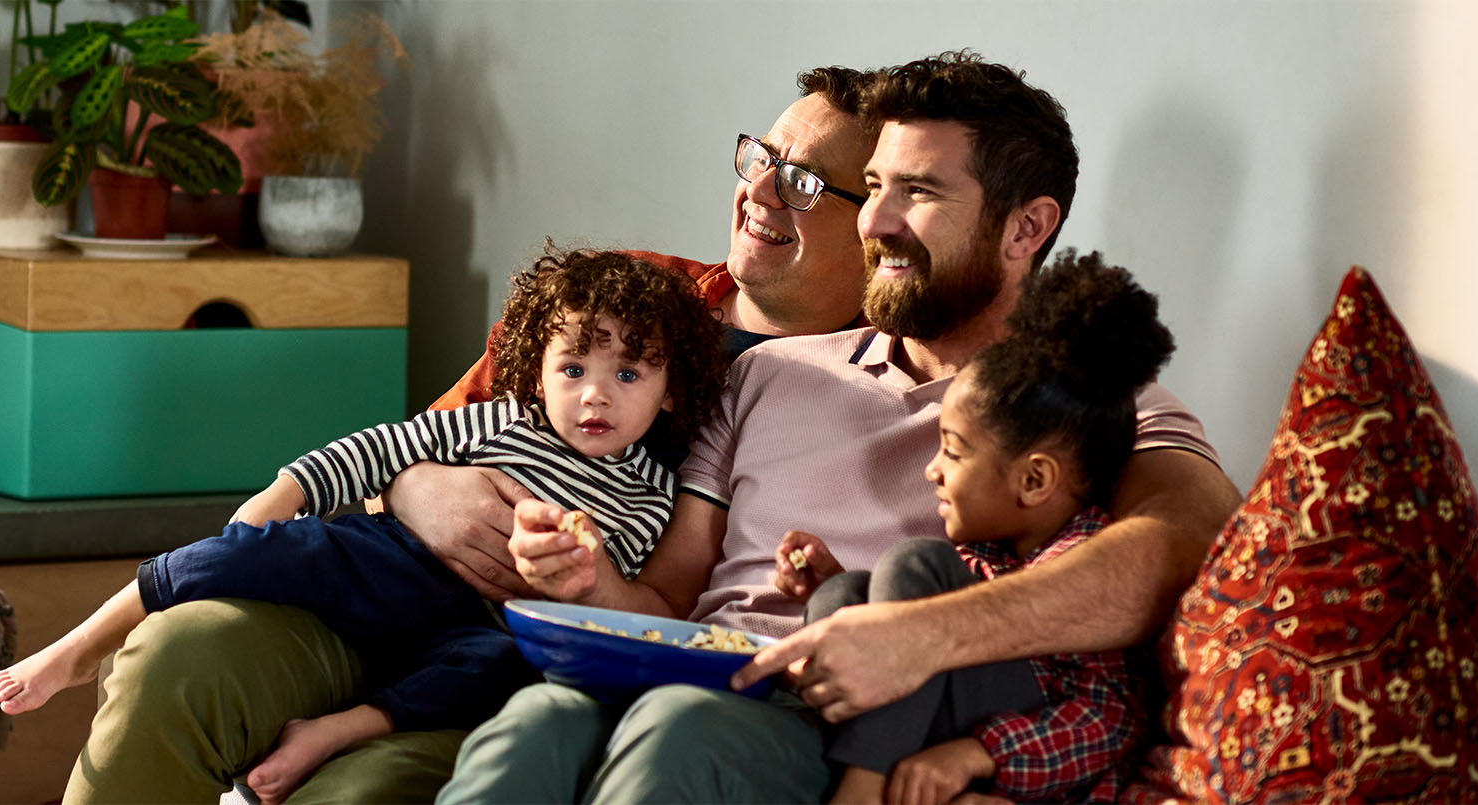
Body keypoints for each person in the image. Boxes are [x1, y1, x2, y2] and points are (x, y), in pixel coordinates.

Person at [60, 65, 883, 804]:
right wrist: (426, 490)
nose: (762, 193)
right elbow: (411, 446)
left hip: (517, 671)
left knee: (362, 788)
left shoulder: (872, 394)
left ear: (877, 220)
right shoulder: (623, 296)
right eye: (762, 158)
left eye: (805, 182)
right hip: (385, 586)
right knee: (179, 651)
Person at [437, 50, 1240, 803]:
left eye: (919, 193)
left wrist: (912, 636)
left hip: (848, 725)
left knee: (678, 730)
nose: (875, 221)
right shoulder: (767, 370)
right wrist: (589, 581)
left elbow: (1185, 541)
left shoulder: (1087, 406)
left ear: (1025, 229)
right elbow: (672, 598)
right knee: (535, 724)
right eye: (876, 185)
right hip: (699, 673)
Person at [0, 248, 723, 804]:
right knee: (238, 556)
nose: (596, 394)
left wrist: (573, 571)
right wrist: (278, 501)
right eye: (573, 370)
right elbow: (376, 451)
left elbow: (606, 595)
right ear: (536, 372)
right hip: (388, 561)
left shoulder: (655, 497)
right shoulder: (503, 419)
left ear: (667, 393)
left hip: (479, 622)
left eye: (629, 375)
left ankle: (342, 729)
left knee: (500, 672)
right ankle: (82, 646)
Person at [782, 250, 1173, 804]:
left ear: (1034, 480)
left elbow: (1111, 719)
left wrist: (979, 752)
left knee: (915, 565)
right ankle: (867, 757)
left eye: (954, 452)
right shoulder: (989, 553)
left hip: (1026, 763)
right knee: (846, 594)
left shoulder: (1086, 559)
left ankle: (863, 786)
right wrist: (827, 581)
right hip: (943, 727)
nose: (932, 470)